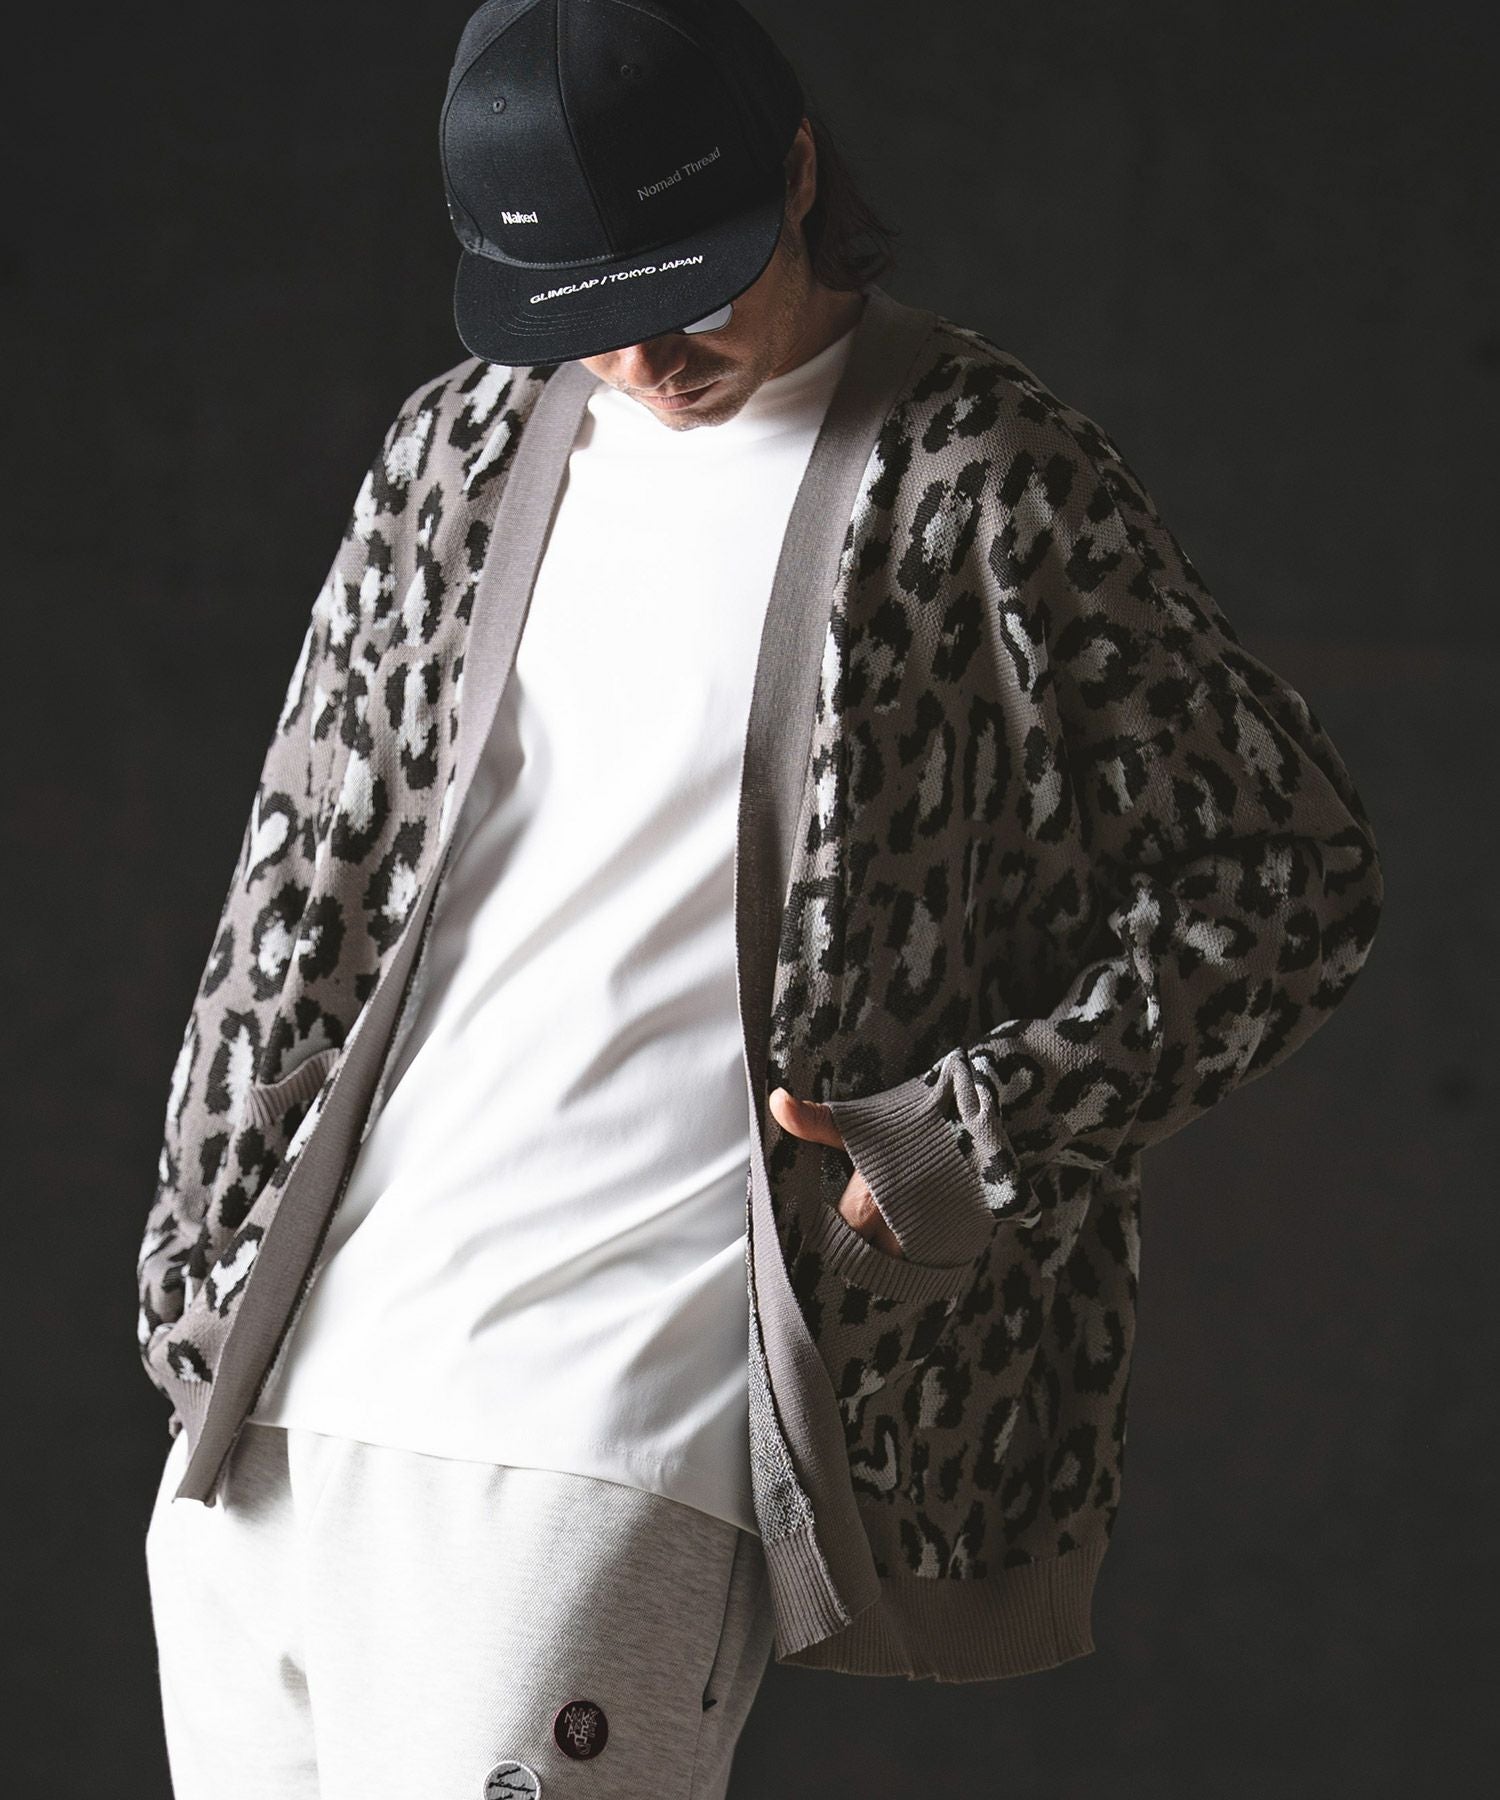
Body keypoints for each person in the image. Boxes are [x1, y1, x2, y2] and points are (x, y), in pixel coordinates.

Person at [137, 3, 1386, 1797]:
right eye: (579, 308)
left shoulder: (979, 481)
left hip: (610, 1411)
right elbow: (293, 881)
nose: (642, 354)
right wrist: (206, 1266)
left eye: (683, 285)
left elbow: (1289, 876)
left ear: (795, 172)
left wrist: (970, 1136)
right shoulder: (456, 453)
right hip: (292, 1393)